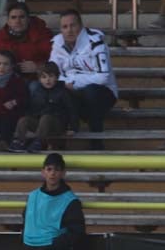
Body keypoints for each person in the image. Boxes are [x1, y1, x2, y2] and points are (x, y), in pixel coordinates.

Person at [48, 9, 118, 149]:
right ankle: (57, 144)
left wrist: (73, 82)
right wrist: (67, 84)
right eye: (64, 27)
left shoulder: (96, 42)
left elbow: (103, 77)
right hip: (72, 93)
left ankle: (96, 142)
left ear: (81, 26)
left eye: (73, 25)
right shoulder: (56, 44)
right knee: (54, 91)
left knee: (90, 92)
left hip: (103, 94)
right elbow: (53, 72)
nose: (69, 30)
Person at [0, 1, 53, 83]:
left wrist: (38, 66)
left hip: (37, 78)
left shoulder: (41, 33)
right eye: (13, 17)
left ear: (28, 19)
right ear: (8, 21)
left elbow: (55, 60)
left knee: (33, 88)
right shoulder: (2, 37)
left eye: (22, 17)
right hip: (9, 79)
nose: (17, 21)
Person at [14, 61, 78, 153]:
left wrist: (73, 128)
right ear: (39, 79)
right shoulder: (37, 92)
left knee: (46, 117)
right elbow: (31, 108)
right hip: (41, 124)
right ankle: (19, 142)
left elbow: (72, 110)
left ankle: (39, 142)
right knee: (24, 119)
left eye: (51, 76)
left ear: (57, 77)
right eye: (44, 77)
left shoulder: (63, 92)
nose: (47, 80)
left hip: (58, 125)